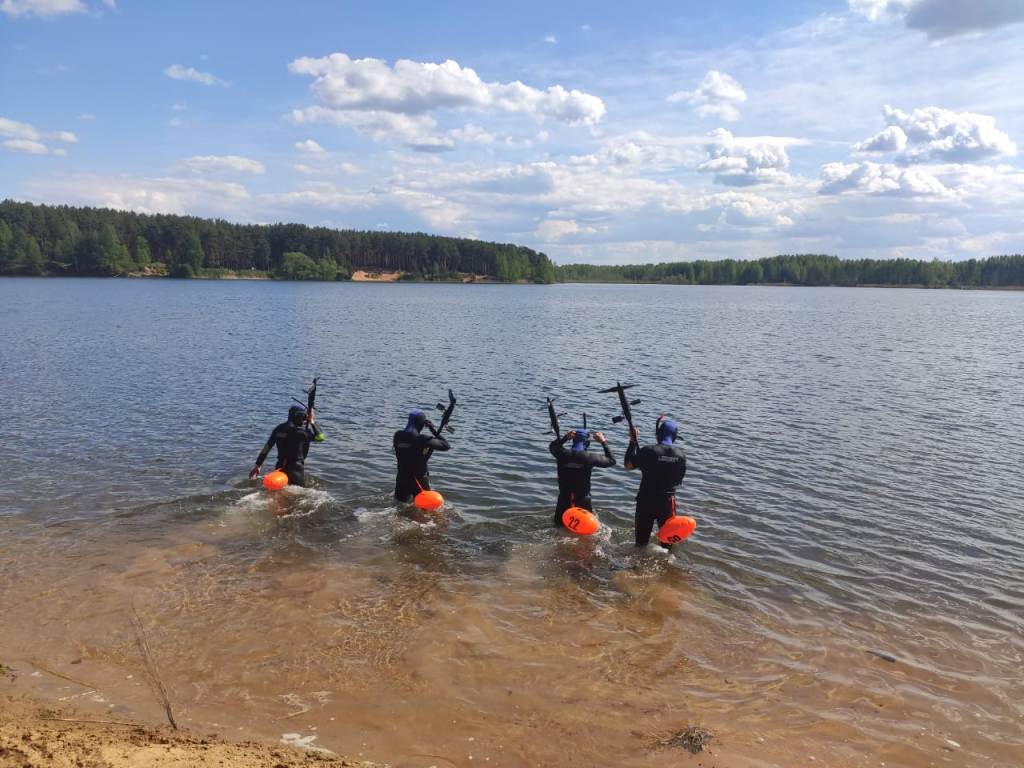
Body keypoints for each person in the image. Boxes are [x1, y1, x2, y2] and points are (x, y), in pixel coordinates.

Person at [624, 418, 686, 546]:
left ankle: (638, 565)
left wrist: (632, 442)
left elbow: (628, 465)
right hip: (667, 502)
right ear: (674, 437)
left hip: (646, 499)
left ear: (658, 434)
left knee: (641, 542)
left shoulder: (648, 451)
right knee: (668, 542)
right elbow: (679, 481)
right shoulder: (681, 456)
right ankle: (667, 564)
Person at [549, 428, 615, 527]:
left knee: (558, 527)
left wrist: (565, 438)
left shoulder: (561, 454)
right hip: (583, 501)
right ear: (586, 443)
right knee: (586, 531)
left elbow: (553, 446)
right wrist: (603, 441)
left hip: (564, 499)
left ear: (573, 440)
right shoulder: (590, 457)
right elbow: (611, 460)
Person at [248, 404, 324, 487]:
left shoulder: (278, 429)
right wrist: (312, 421)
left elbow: (266, 448)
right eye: (303, 417)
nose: (304, 420)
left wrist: (258, 466)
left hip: (280, 467)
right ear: (297, 416)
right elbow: (320, 437)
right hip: (295, 470)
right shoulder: (300, 432)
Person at [393, 408, 450, 502]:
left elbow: (410, 453)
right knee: (426, 510)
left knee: (400, 507)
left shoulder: (397, 435)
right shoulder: (422, 439)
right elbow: (446, 445)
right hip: (418, 480)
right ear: (422, 424)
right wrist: (433, 430)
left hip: (401, 479)